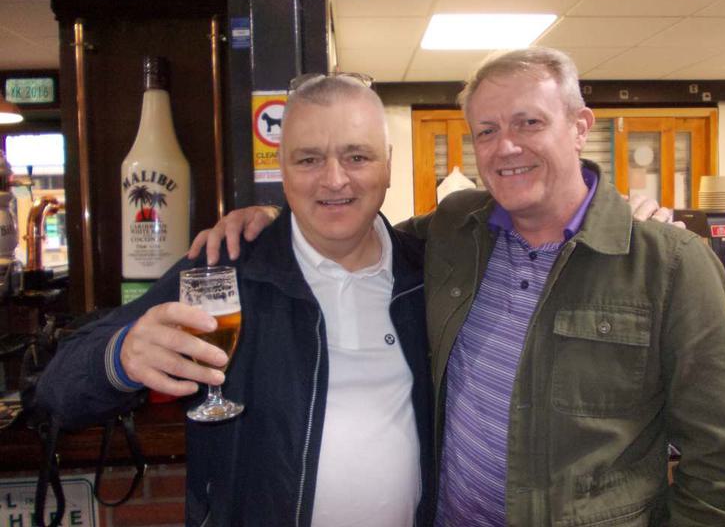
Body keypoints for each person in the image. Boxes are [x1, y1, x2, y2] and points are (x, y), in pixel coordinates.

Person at [194, 47, 725, 526]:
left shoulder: (669, 265)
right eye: (486, 131)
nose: (505, 146)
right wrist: (272, 219)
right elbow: (350, 225)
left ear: (580, 127)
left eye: (528, 123)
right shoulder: (456, 229)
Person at [35, 74, 434, 527]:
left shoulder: (431, 274)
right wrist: (120, 356)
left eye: (357, 157)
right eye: (308, 159)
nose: (334, 179)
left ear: (388, 165)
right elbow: (57, 392)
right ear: (281, 169)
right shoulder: (224, 268)